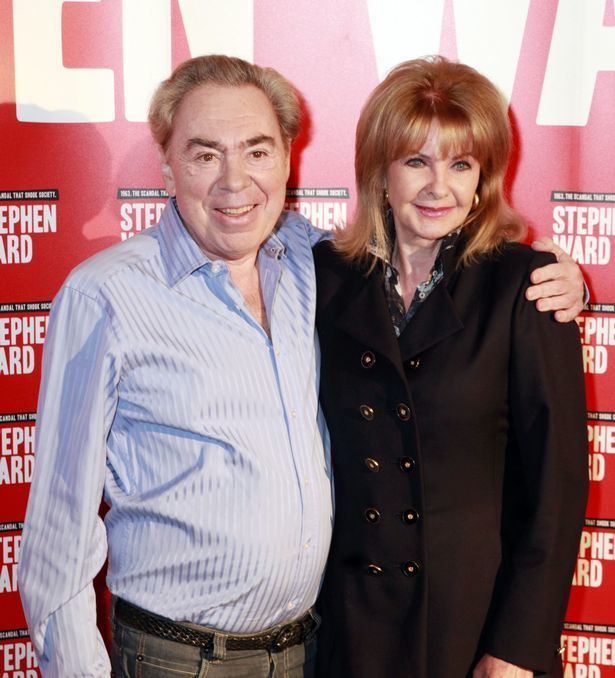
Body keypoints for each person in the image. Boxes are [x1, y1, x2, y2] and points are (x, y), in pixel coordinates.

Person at [18, 55, 583, 678]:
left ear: (286, 158)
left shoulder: (321, 265)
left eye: (257, 151)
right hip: (207, 654)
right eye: (206, 155)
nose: (235, 183)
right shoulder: (120, 293)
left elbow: (553, 487)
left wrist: (563, 274)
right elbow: (58, 534)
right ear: (167, 161)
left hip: (345, 647)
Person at [312, 56, 588, 678]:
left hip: (474, 625)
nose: (440, 188)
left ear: (484, 177)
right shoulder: (325, 279)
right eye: (416, 162)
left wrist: (517, 646)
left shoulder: (525, 284)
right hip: (349, 631)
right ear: (378, 171)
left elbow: (558, 482)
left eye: (460, 164)